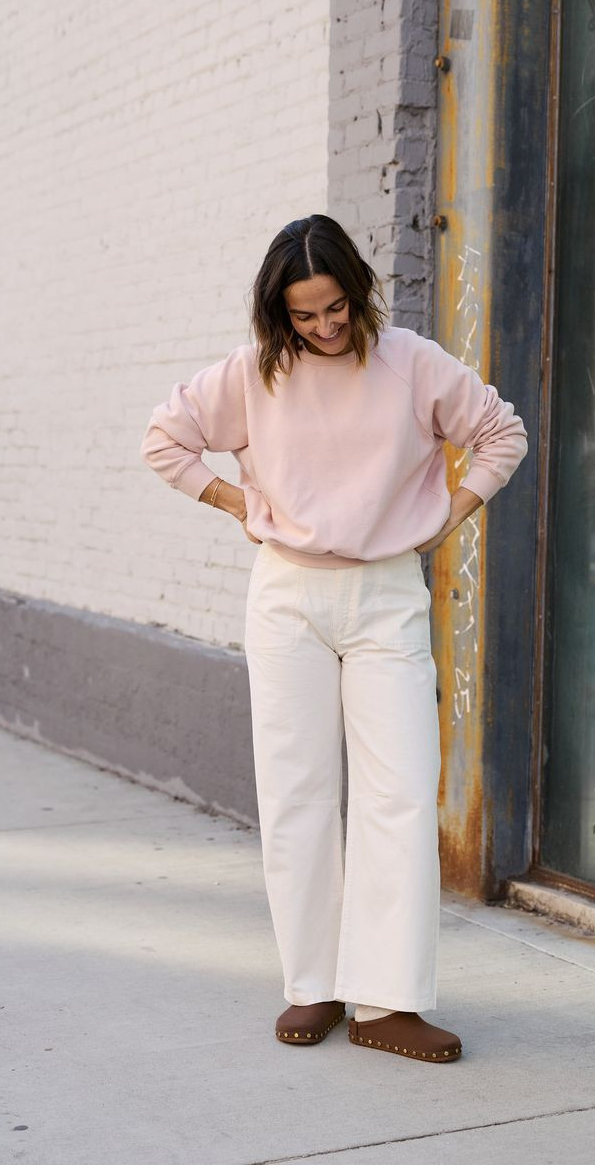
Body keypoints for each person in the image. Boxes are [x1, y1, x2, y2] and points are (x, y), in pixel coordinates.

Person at [140, 214, 529, 1064]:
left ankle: (387, 1003)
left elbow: (502, 433)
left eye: (336, 308)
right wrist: (241, 504)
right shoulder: (254, 372)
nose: (323, 327)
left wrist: (450, 516)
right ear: (279, 312)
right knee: (297, 792)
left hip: (386, 596)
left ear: (358, 290)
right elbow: (165, 441)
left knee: (400, 792)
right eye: (304, 314)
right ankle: (313, 982)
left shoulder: (412, 362)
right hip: (287, 596)